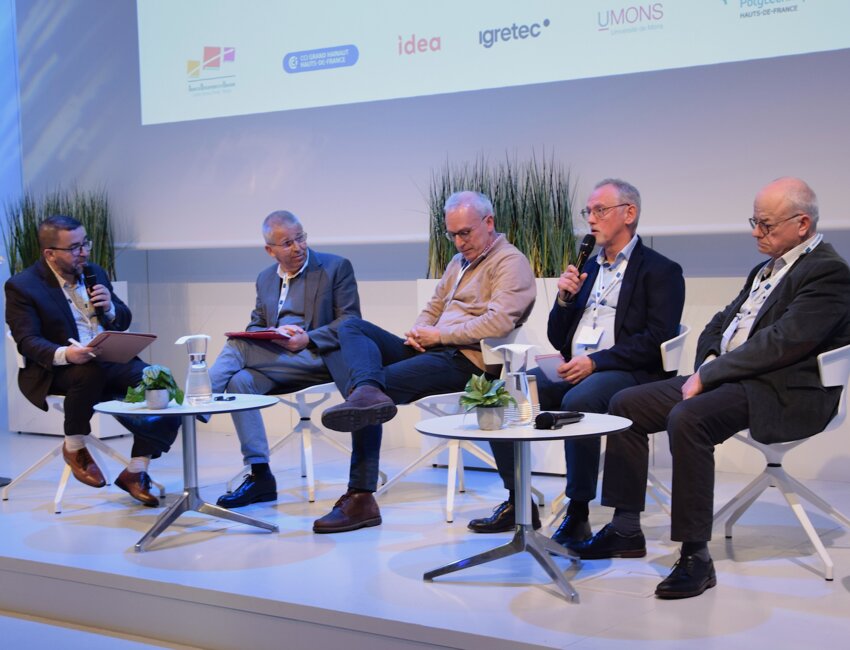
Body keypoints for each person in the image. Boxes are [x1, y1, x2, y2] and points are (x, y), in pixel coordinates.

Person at [574, 177, 850, 599]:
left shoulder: (828, 272)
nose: (757, 232)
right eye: (754, 222)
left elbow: (783, 343)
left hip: (783, 389)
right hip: (731, 377)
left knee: (689, 417)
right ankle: (626, 528)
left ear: (803, 225)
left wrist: (711, 374)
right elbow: (722, 322)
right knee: (624, 405)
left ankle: (695, 555)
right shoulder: (767, 268)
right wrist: (706, 362)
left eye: (767, 225)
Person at [468, 179, 685, 540]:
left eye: (600, 210)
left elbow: (655, 339)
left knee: (579, 400)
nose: (591, 220)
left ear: (629, 213)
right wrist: (565, 300)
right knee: (505, 397)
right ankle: (518, 503)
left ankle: (579, 509)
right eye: (588, 212)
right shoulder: (589, 267)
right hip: (576, 366)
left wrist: (597, 362)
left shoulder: (661, 270)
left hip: (628, 371)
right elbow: (558, 336)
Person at [315, 190, 537, 533]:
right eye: (453, 235)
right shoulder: (457, 263)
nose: (460, 242)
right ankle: (367, 390)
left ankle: (361, 496)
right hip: (434, 350)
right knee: (352, 328)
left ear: (489, 222)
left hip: (468, 362)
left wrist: (440, 336)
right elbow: (433, 308)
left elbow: (499, 323)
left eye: (466, 233)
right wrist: (420, 331)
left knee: (368, 394)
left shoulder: (510, 262)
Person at [5, 215, 180, 507]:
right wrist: (66, 354)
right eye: (74, 248)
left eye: (85, 243)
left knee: (158, 379)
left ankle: (136, 470)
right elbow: (28, 341)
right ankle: (74, 446)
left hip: (106, 358)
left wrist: (110, 306)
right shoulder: (23, 286)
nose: (84, 252)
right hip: (58, 368)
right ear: (50, 253)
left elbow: (122, 320)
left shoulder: (93, 271)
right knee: (87, 372)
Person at [209, 210, 361, 508]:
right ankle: (260, 475)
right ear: (271, 251)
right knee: (240, 382)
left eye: (300, 238)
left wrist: (307, 337)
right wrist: (271, 332)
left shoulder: (335, 267)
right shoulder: (265, 279)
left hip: (320, 357)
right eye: (288, 243)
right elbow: (254, 325)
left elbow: (351, 322)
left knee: (236, 348)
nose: (298, 247)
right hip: (279, 358)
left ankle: (193, 404)